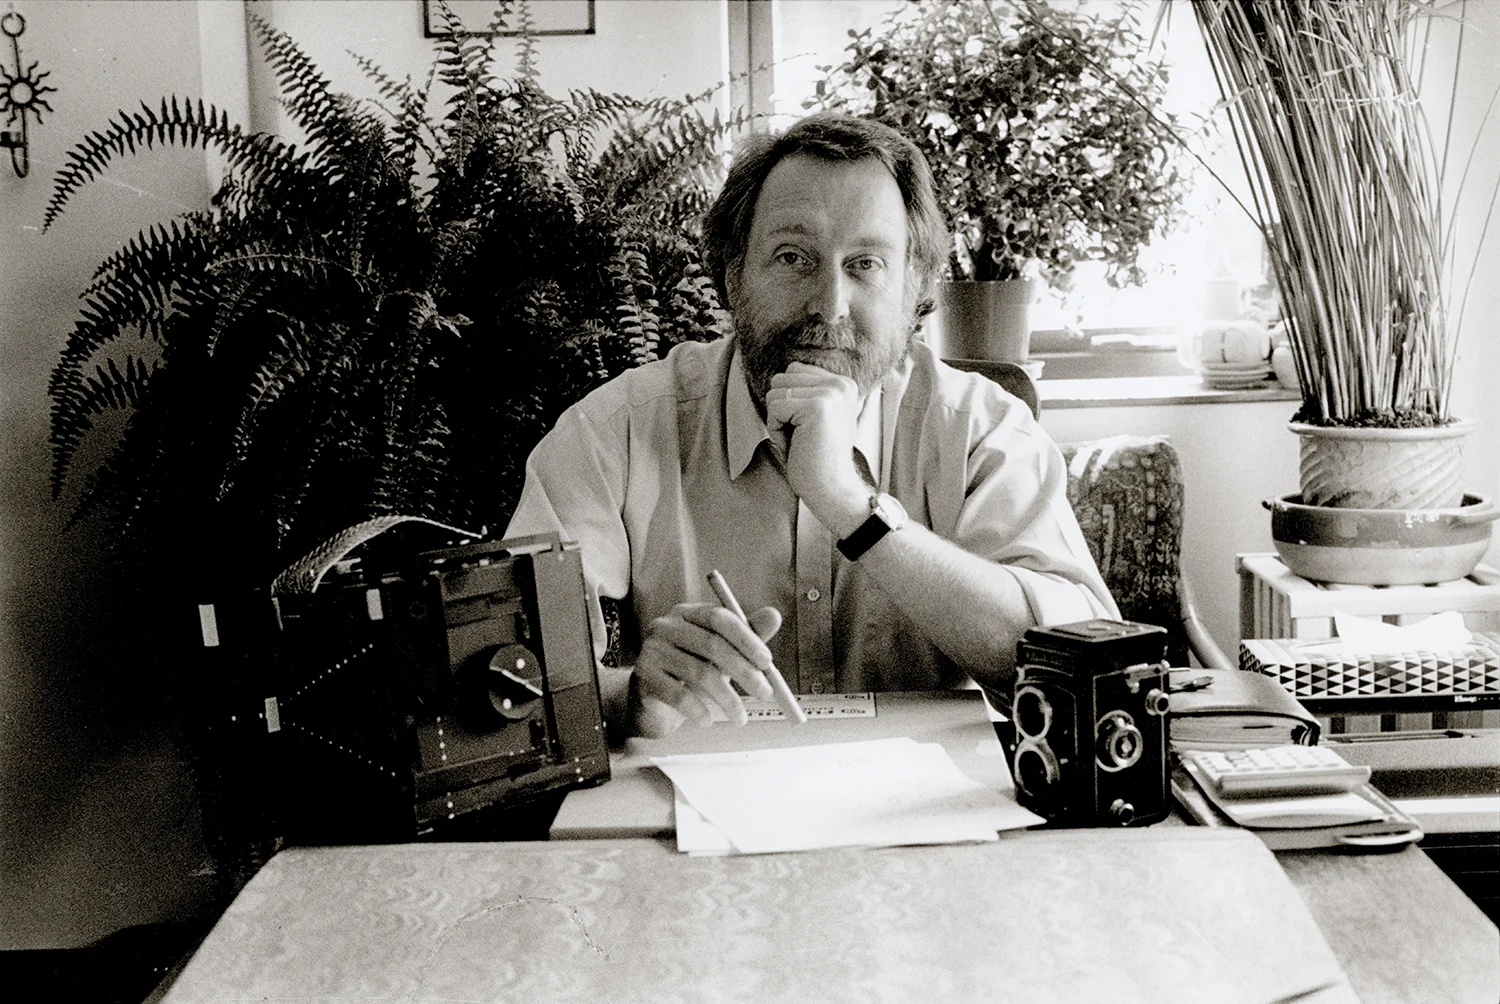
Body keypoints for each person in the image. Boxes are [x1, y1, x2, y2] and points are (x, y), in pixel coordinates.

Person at [505, 113, 1117, 738]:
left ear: (914, 290)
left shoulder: (982, 429)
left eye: (866, 264)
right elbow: (505, 678)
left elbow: (1089, 665)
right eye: (793, 257)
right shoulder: (616, 430)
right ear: (732, 274)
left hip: (925, 795)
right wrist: (629, 697)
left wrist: (851, 505)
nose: (829, 305)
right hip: (700, 792)